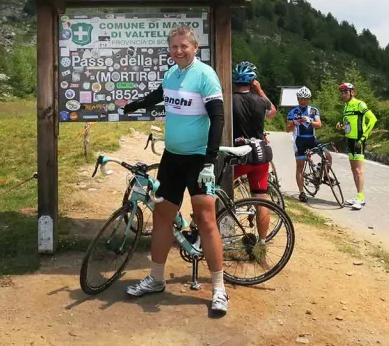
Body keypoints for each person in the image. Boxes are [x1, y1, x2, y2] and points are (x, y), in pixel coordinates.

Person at [121, 25, 228, 316]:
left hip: (197, 160)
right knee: (163, 215)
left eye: (184, 46)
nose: (178, 51)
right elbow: (158, 95)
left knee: (206, 219)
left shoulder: (205, 75)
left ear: (195, 47)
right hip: (172, 158)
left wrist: (209, 160)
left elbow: (218, 118)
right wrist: (132, 105)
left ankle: (218, 288)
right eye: (174, 47)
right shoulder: (172, 73)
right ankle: (156, 278)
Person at [230, 61, 277, 243]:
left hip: (239, 156)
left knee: (215, 188)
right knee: (261, 200)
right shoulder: (260, 101)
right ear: (252, 81)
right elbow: (272, 112)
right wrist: (260, 90)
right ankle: (262, 242)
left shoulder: (230, 100)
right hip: (260, 155)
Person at [335, 82, 377, 211]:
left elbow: (373, 119)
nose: (343, 94)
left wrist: (363, 137)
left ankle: (360, 198)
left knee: (358, 170)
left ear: (352, 92)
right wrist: (341, 126)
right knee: (354, 170)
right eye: (342, 92)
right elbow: (348, 123)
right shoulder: (346, 107)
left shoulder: (360, 104)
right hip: (350, 140)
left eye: (345, 92)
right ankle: (358, 196)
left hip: (358, 141)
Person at [286, 86, 330, 203]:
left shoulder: (313, 110)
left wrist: (309, 120)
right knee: (300, 166)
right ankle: (301, 192)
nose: (303, 101)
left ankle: (326, 175)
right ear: (298, 99)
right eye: (301, 99)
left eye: (305, 99)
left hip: (312, 139)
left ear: (309, 99)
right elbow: (288, 129)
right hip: (299, 141)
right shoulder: (293, 112)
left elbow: (319, 125)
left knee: (328, 155)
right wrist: (295, 122)